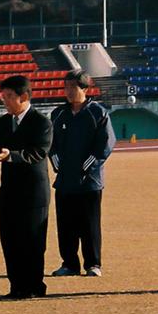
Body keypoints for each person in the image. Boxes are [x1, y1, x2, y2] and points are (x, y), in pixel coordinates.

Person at [0, 75, 54, 299]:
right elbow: (0, 149)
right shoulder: (4, 121)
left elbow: (39, 152)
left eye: (9, 97)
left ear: (24, 96)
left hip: (33, 192)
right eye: (3, 97)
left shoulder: (42, 122)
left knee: (33, 241)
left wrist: (12, 155)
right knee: (10, 240)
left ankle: (33, 286)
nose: (5, 101)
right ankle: (16, 285)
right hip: (9, 190)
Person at [49, 70, 116, 277]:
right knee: (66, 225)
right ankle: (69, 263)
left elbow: (105, 145)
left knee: (89, 224)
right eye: (66, 87)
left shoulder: (98, 113)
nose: (68, 91)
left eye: (73, 87)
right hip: (64, 181)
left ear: (85, 89)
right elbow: (51, 144)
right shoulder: (58, 113)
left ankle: (93, 264)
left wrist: (86, 167)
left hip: (90, 182)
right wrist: (57, 162)